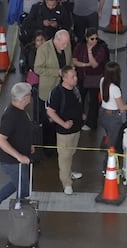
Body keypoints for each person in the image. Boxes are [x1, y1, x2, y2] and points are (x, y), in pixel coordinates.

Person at [0, 82, 35, 223]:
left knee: (16, 183)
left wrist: (28, 145)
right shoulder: (12, 115)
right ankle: (21, 218)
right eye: (30, 95)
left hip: (17, 160)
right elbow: (0, 140)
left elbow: (18, 132)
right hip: (12, 161)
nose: (31, 97)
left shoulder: (19, 111)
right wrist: (20, 156)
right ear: (24, 98)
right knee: (24, 189)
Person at [46, 65, 84, 195]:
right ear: (64, 78)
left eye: (75, 75)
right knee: (64, 157)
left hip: (76, 129)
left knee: (71, 153)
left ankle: (68, 172)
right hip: (65, 132)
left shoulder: (75, 89)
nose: (76, 78)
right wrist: (63, 123)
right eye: (72, 76)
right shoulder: (57, 92)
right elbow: (50, 111)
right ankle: (66, 182)